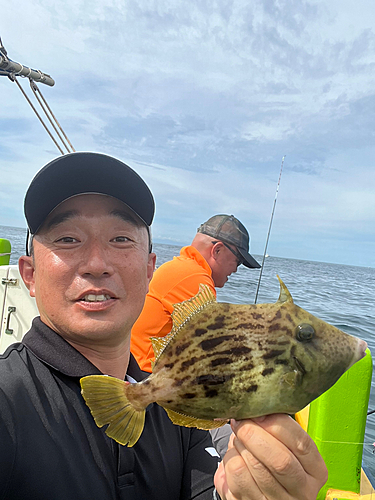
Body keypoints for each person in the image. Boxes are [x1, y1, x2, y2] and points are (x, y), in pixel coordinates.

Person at [0, 152, 327, 500]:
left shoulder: (174, 416)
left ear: (149, 269)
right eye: (67, 239)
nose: (97, 264)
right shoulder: (8, 400)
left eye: (121, 239)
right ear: (30, 275)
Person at [131, 213, 261, 373]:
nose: (236, 269)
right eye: (238, 261)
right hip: (144, 377)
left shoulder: (182, 268)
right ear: (217, 250)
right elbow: (213, 348)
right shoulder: (195, 278)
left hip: (136, 367)